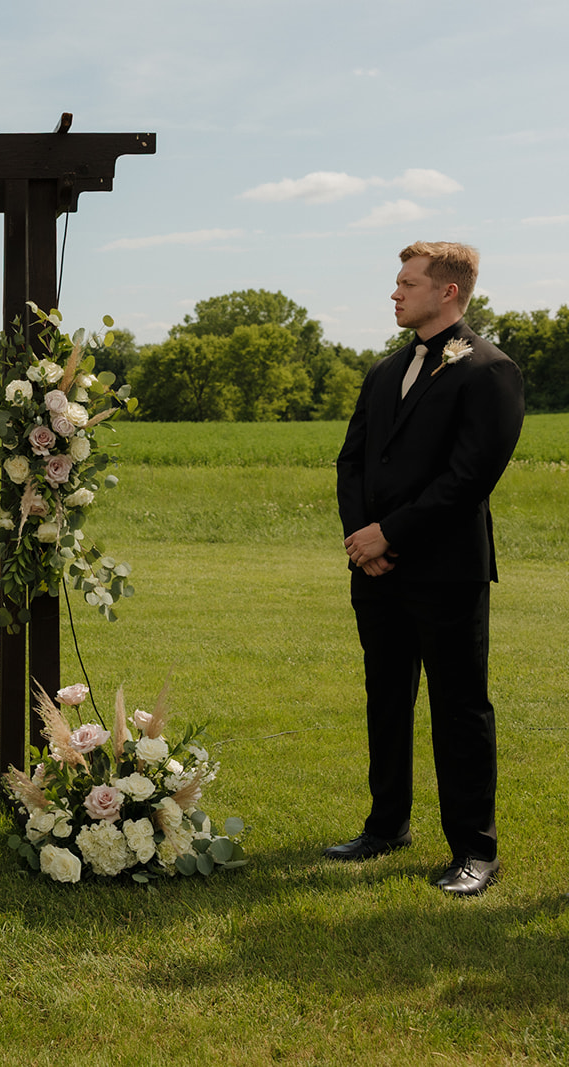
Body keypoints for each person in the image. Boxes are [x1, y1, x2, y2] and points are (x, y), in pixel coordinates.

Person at [329, 242, 524, 897]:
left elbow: (468, 478)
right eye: (396, 282)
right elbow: (350, 460)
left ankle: (475, 848)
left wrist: (391, 532)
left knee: (459, 708)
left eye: (407, 283)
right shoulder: (384, 372)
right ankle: (385, 825)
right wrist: (363, 539)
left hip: (447, 571)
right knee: (385, 698)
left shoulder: (490, 371)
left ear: (448, 292)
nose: (394, 292)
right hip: (376, 572)